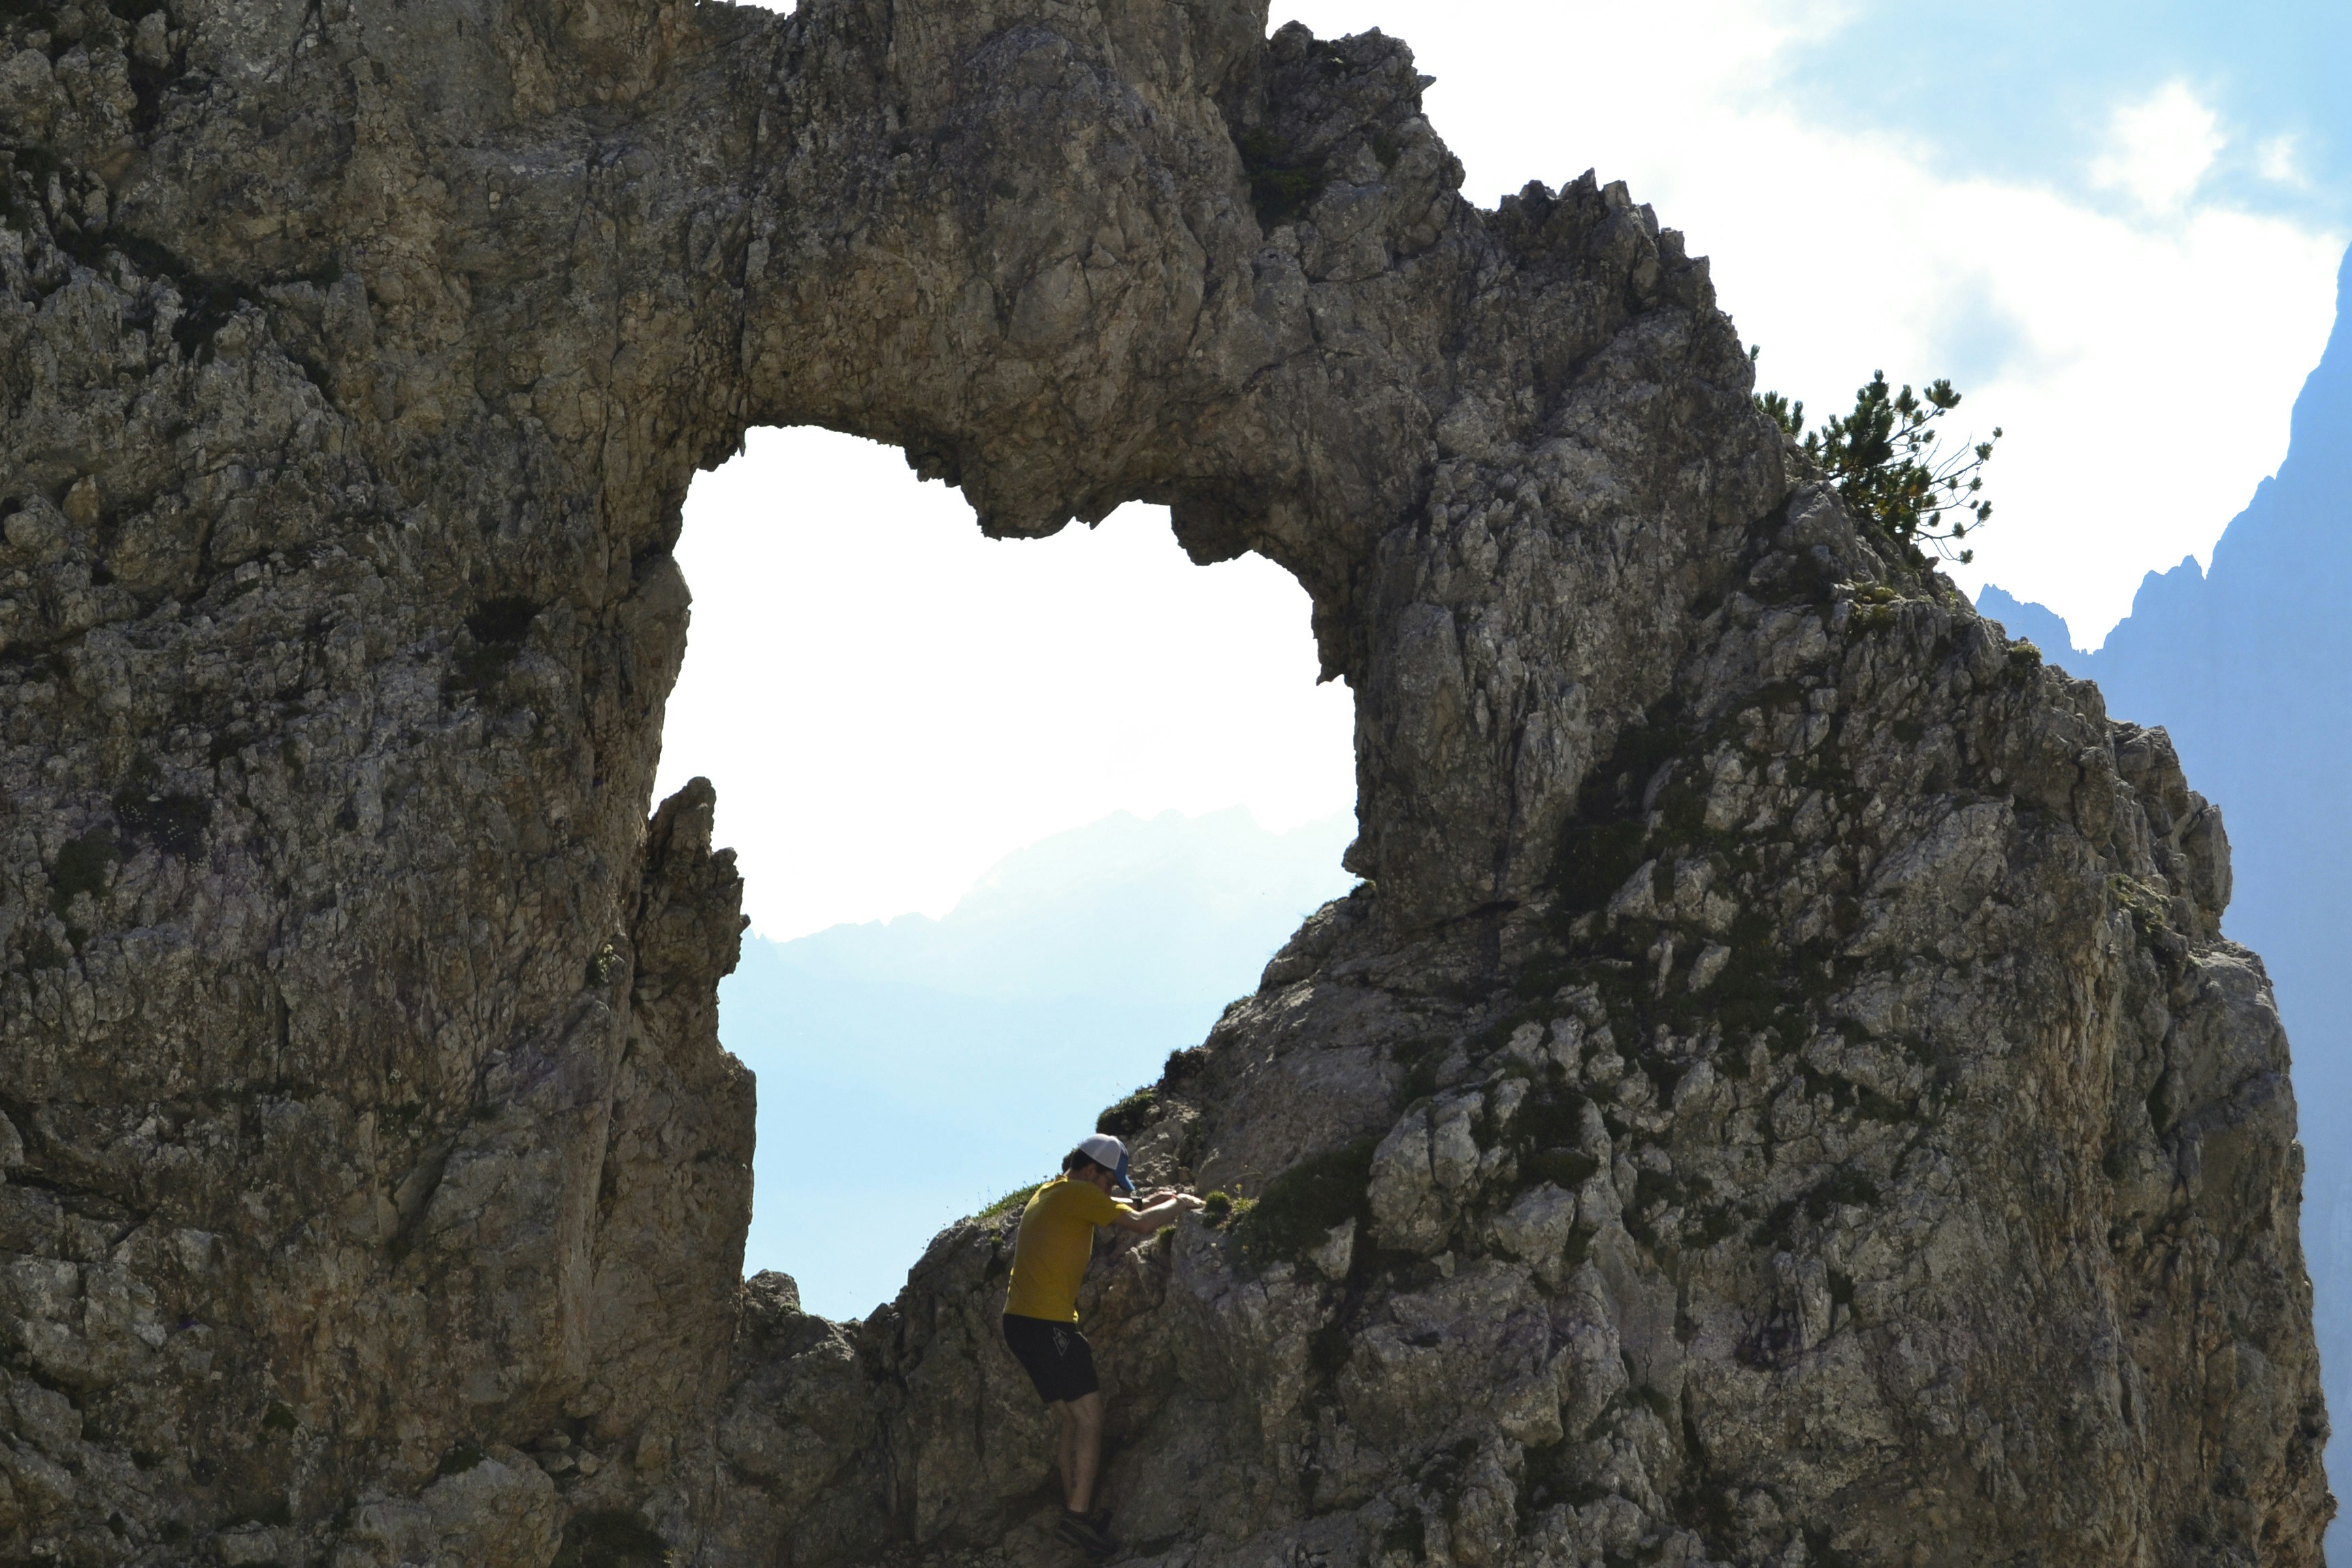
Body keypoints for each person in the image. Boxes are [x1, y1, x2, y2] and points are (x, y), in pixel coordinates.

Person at [1001, 1132, 1203, 1557]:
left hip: (1020, 1323)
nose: (1111, 1191)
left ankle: (1074, 1509)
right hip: (1048, 1325)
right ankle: (1077, 1520)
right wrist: (1180, 1205)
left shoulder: (1055, 1192)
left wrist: (1150, 1199)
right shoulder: (1079, 1194)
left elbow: (1121, 1209)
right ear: (1091, 1171)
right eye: (1110, 1183)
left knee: (1072, 1420)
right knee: (1091, 1418)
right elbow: (1142, 1225)